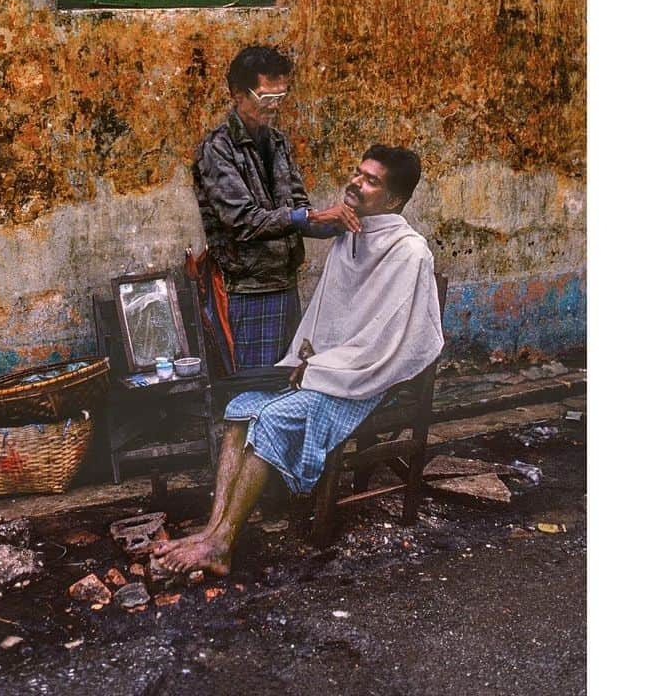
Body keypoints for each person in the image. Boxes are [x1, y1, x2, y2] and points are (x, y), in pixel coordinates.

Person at [155, 144, 444, 575]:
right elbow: (328, 317)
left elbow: (389, 342)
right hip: (330, 369)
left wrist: (327, 367)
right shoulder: (350, 235)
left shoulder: (410, 252)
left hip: (366, 381)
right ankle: (212, 529)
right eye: (357, 172)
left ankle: (224, 543)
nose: (356, 183)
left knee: (270, 420)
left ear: (394, 200)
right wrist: (308, 356)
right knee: (240, 410)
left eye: (371, 180)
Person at [192, 45, 360, 369]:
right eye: (265, 99)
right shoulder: (216, 150)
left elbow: (299, 209)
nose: (273, 108)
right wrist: (308, 216)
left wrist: (341, 220)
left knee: (288, 379)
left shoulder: (278, 143)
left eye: (279, 99)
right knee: (254, 388)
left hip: (285, 283)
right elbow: (242, 221)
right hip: (249, 289)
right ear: (237, 94)